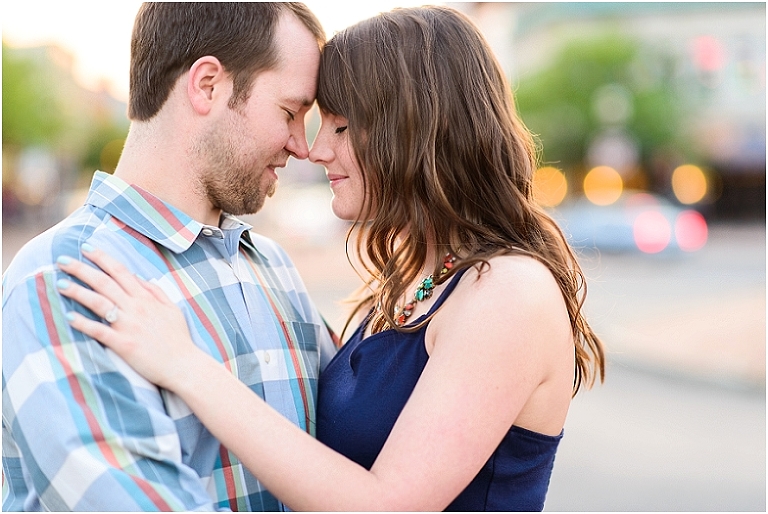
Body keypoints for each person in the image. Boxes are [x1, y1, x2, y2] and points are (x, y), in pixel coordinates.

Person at [56, 5, 606, 512]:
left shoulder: (509, 292)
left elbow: (385, 504)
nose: (315, 149)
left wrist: (185, 366)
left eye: (340, 127)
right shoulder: (411, 283)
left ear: (414, 130)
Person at [2, 3, 338, 511]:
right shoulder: (66, 277)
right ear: (207, 85)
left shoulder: (272, 265)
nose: (302, 146)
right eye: (290, 113)